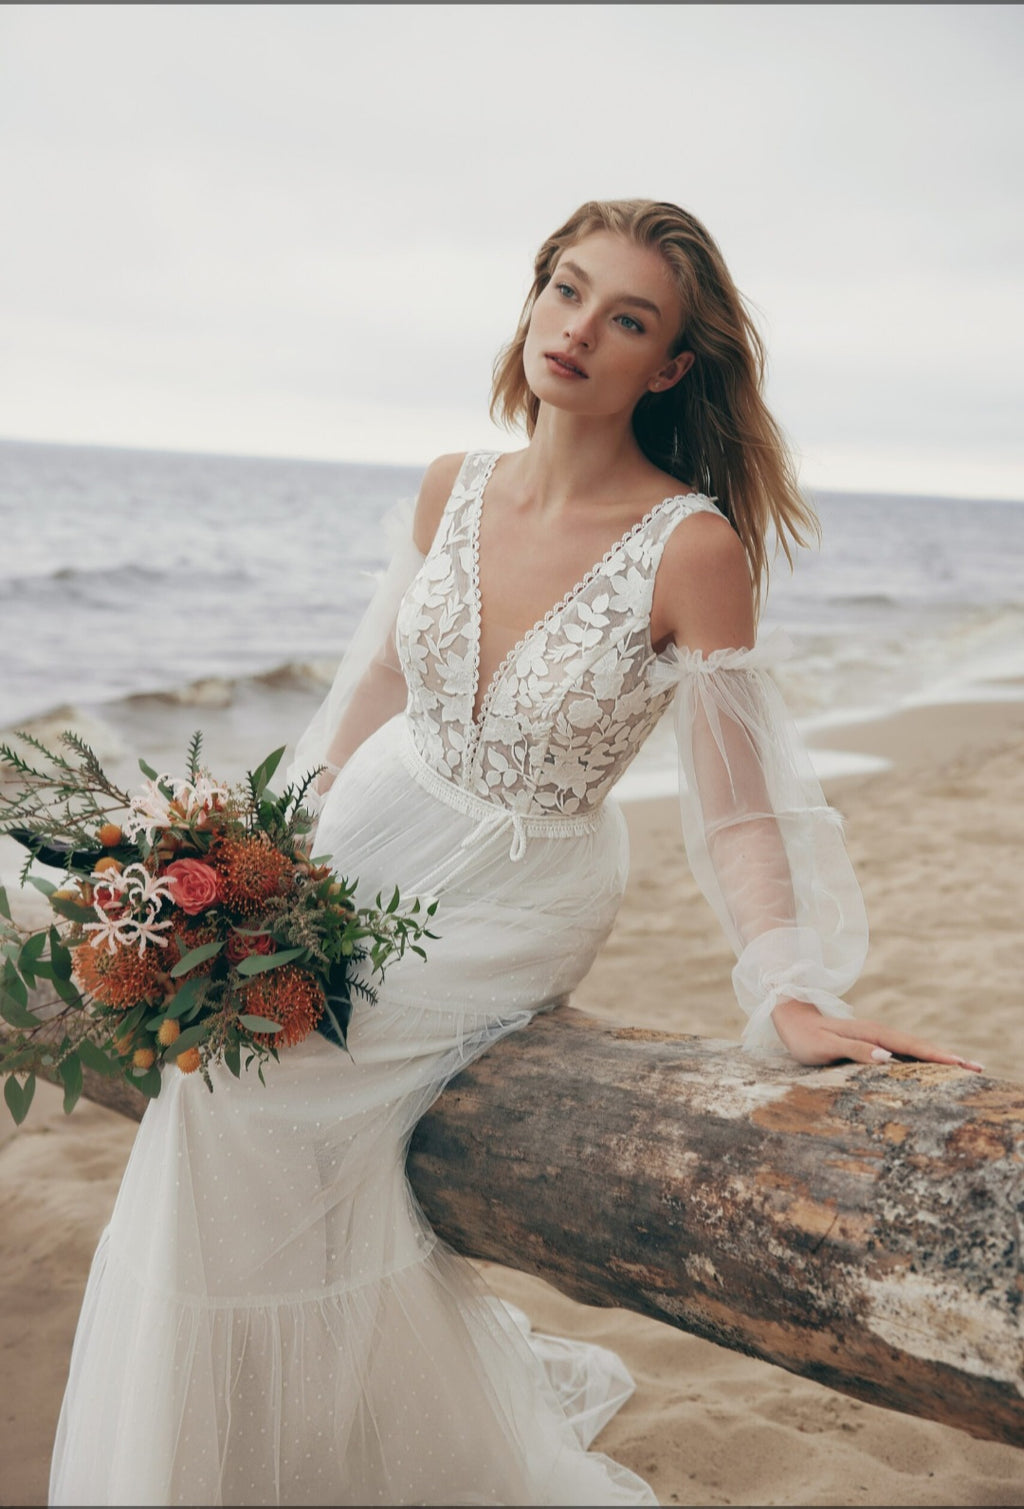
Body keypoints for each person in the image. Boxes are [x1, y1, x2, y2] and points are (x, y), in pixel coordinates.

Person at [49, 198, 981, 1507]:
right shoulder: (453, 483)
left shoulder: (693, 545)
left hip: (516, 881)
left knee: (268, 1089)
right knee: (218, 1059)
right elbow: (370, 687)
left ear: (669, 366)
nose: (579, 328)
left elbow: (739, 798)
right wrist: (260, 855)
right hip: (376, 816)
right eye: (565, 288)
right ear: (534, 298)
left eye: (629, 318)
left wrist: (789, 985)